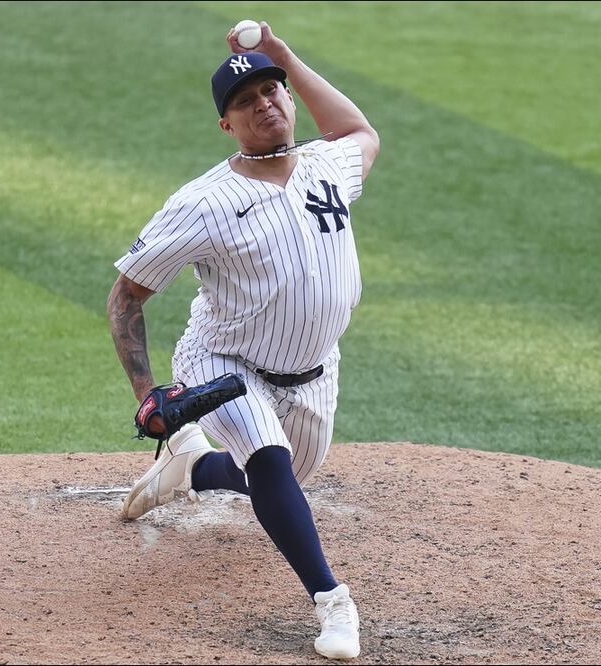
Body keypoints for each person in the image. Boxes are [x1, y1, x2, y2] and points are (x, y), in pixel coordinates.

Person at [106, 21, 379, 661]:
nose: (264, 104)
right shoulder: (203, 202)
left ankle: (190, 466)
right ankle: (333, 602)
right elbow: (126, 296)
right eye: (245, 101)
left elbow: (360, 131)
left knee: (275, 475)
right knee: (270, 461)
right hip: (223, 361)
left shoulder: (327, 164)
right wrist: (148, 391)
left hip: (314, 370)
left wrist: (283, 55)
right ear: (226, 124)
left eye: (272, 90)